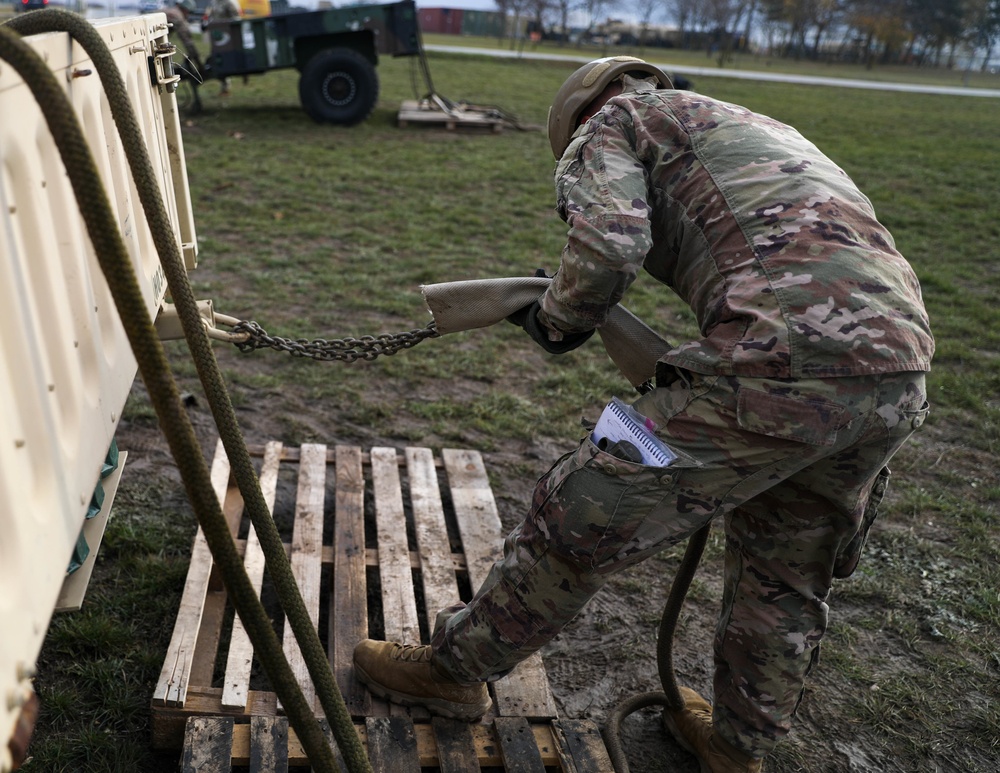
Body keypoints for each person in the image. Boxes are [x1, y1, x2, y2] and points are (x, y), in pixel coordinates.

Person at [353, 56, 934, 772]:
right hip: (897, 371)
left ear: (579, 114)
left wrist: (561, 317)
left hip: (776, 368)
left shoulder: (616, 122)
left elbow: (607, 243)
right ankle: (735, 749)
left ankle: (450, 671)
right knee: (785, 567)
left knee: (584, 496)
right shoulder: (751, 126)